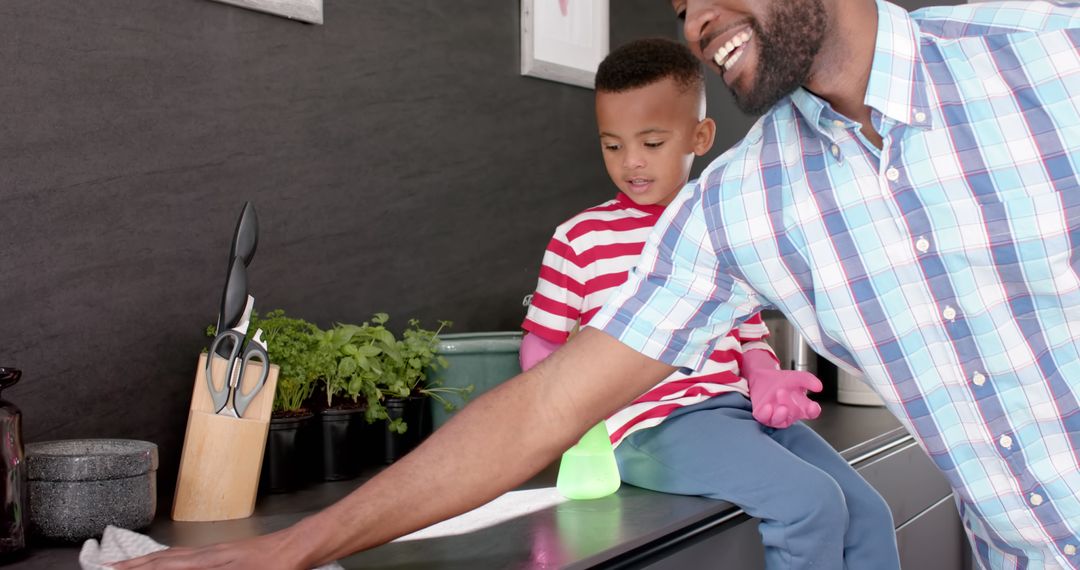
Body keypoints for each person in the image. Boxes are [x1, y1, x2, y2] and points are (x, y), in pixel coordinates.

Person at [117, 1, 1080, 568]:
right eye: (681, 9)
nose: (699, 22)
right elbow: (543, 401)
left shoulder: (1051, 51)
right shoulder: (743, 204)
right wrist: (294, 548)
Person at [518, 37, 898, 569]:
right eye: (612, 145)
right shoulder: (580, 239)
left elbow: (745, 332)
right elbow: (542, 345)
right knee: (810, 504)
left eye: (651, 143)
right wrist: (578, 424)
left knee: (868, 513)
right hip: (654, 423)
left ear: (700, 135)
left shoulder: (719, 225)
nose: (631, 162)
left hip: (738, 411)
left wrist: (765, 376)